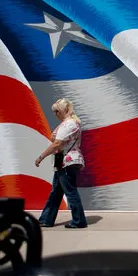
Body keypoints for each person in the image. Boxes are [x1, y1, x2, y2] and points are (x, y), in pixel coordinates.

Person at [35, 98, 88, 229]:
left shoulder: (69, 124)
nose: (55, 114)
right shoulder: (70, 123)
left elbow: (57, 144)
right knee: (56, 192)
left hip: (66, 161)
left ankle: (79, 221)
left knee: (70, 191)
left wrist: (41, 157)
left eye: (56, 111)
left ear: (62, 111)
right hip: (63, 161)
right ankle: (46, 219)